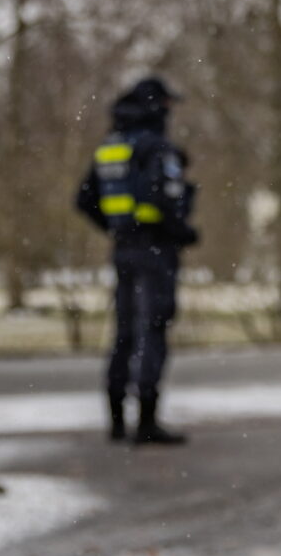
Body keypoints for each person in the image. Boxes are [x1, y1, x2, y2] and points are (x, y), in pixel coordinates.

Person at [75, 76, 199, 445]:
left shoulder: (111, 146)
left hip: (124, 249)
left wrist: (118, 226)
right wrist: (181, 231)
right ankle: (146, 421)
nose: (170, 112)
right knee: (153, 329)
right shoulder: (156, 148)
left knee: (125, 331)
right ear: (156, 105)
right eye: (167, 105)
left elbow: (84, 200)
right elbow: (164, 199)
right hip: (156, 250)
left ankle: (115, 420)